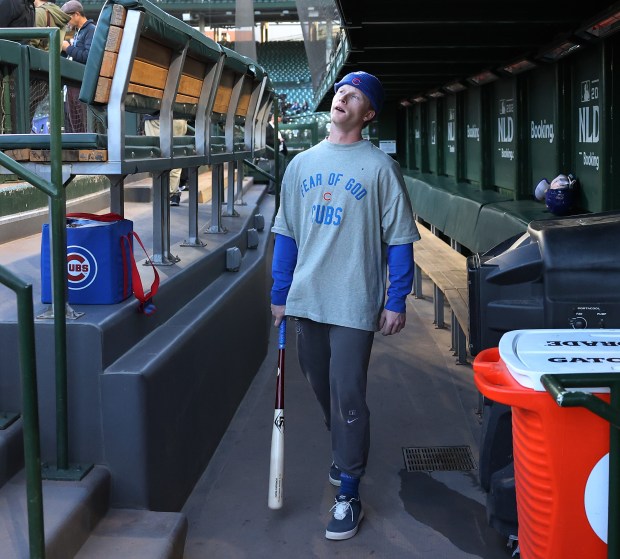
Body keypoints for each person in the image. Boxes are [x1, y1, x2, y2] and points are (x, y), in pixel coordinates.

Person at [270, 71, 420, 540]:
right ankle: (343, 451)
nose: (343, 97)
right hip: (308, 298)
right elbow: (286, 234)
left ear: (368, 114)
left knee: (347, 395)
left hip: (355, 301)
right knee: (320, 387)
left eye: (355, 95)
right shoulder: (300, 164)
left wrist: (395, 299)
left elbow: (399, 242)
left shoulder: (380, 168)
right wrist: (279, 293)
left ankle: (348, 490)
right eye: (341, 91)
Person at [60, 0, 94, 132]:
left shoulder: (90, 30)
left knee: (82, 127)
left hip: (82, 87)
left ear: (76, 14)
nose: (66, 21)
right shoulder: (78, 31)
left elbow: (88, 57)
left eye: (67, 17)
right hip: (73, 86)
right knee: (73, 127)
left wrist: (68, 48)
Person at [143, 114, 188, 206]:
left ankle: (162, 193)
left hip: (156, 116)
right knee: (175, 155)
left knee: (158, 156)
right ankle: (173, 195)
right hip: (179, 117)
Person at [264, 112, 287, 194]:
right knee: (273, 172)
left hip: (279, 152)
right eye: (279, 119)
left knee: (280, 172)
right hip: (272, 153)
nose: (279, 122)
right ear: (274, 117)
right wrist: (278, 140)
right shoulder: (267, 127)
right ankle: (271, 189)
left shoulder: (275, 127)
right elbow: (266, 140)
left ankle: (277, 188)